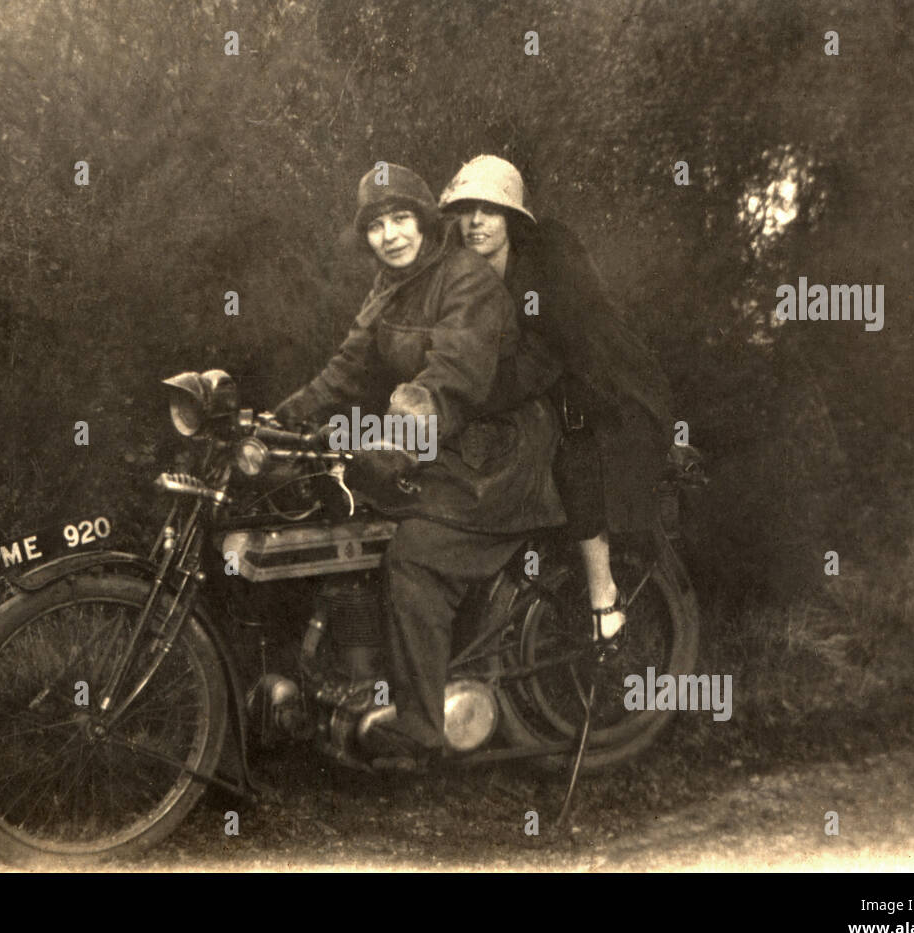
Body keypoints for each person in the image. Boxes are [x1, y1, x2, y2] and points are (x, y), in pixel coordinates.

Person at [274, 163, 565, 762]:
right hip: (446, 450)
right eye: (376, 226)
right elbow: (347, 368)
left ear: (426, 222)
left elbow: (451, 378)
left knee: (415, 558)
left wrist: (394, 441)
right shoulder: (387, 287)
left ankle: (421, 728)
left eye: (401, 218)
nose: (391, 234)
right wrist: (283, 422)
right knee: (346, 526)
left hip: (497, 462)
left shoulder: (467, 281)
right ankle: (346, 684)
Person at [439, 155, 674, 642]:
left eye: (490, 210)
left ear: (512, 219)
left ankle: (602, 597)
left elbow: (543, 360)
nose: (476, 221)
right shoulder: (470, 269)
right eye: (468, 210)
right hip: (550, 387)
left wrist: (462, 401)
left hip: (611, 391)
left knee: (573, 457)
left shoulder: (547, 269)